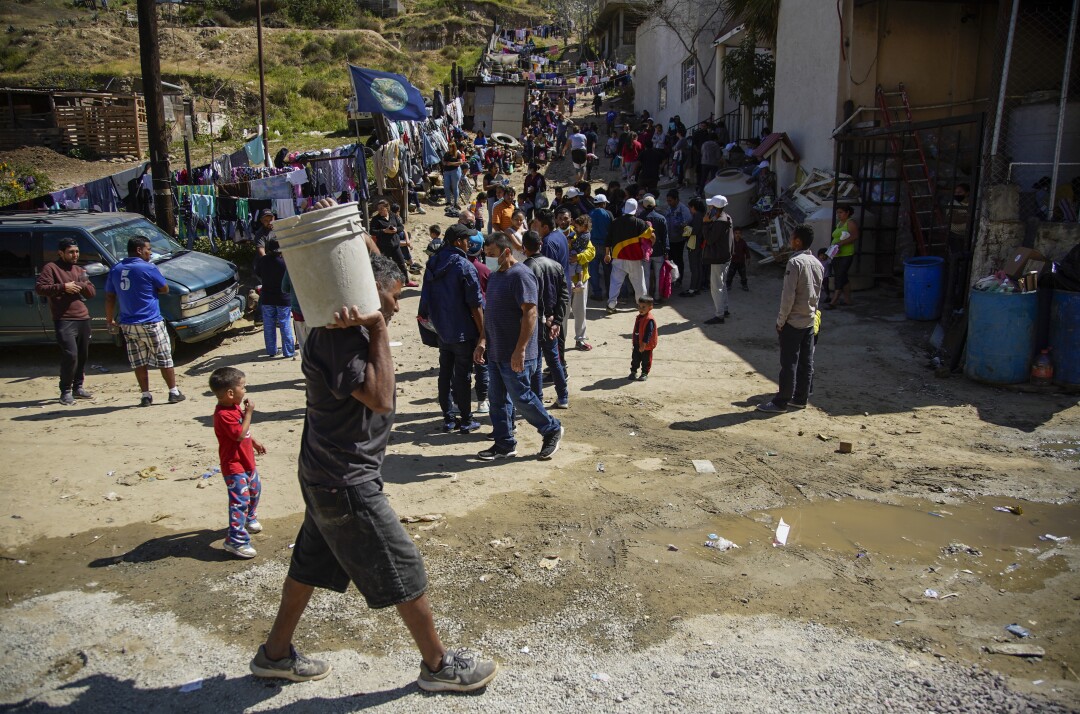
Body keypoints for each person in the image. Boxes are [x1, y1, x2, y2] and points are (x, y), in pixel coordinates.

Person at [251, 249, 499, 692]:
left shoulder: (350, 332)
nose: (396, 307)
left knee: (309, 566)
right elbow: (380, 398)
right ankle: (439, 667)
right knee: (404, 567)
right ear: (365, 294)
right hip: (345, 482)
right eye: (390, 297)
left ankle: (274, 654)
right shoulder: (340, 337)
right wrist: (378, 327)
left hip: (325, 475)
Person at [474, 232, 564, 461]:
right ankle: (504, 444)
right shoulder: (495, 277)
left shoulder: (521, 275)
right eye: (486, 255)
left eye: (492, 254)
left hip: (516, 352)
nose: (489, 259)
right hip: (496, 350)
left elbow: (531, 313)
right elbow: (491, 314)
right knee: (497, 400)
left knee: (522, 398)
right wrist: (483, 341)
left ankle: (551, 428)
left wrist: (521, 349)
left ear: (506, 252)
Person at [419, 224, 485, 435]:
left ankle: (449, 419)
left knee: (445, 373)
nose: (469, 243)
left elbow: (426, 298)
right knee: (463, 376)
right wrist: (483, 334)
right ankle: (466, 420)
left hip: (441, 329)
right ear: (458, 242)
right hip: (463, 332)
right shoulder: (464, 266)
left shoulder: (433, 262)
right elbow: (475, 304)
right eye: (467, 240)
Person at [105, 236, 185, 406]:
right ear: (139, 250)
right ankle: (173, 391)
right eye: (148, 249)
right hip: (150, 321)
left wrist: (109, 318)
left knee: (138, 360)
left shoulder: (116, 269)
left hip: (127, 324)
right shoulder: (148, 268)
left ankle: (145, 395)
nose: (150, 253)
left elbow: (110, 296)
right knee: (164, 357)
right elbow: (164, 288)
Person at [757, 224, 824, 413]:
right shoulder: (818, 263)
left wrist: (781, 321)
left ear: (797, 241)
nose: (789, 241)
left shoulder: (795, 263)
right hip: (809, 319)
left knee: (789, 363)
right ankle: (801, 398)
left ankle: (781, 402)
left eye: (791, 237)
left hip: (793, 321)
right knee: (806, 361)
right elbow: (818, 294)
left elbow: (788, 296)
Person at [209, 367, 267, 559]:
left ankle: (249, 518)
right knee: (239, 502)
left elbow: (244, 433)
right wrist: (250, 412)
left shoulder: (234, 407)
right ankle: (235, 540)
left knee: (254, 491)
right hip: (234, 467)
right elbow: (239, 434)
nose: (246, 390)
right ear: (230, 393)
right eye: (243, 386)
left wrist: (255, 441)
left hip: (247, 462)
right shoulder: (223, 415)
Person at [35, 237, 96, 405]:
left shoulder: (79, 270)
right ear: (60, 253)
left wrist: (81, 285)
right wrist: (63, 287)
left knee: (82, 355)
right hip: (64, 319)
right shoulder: (51, 268)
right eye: (71, 252)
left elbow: (91, 293)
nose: (75, 255)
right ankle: (65, 391)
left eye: (76, 251)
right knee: (71, 354)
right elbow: (40, 288)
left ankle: (78, 387)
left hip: (83, 317)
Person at [522, 231, 570, 409]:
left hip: (536, 322)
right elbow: (563, 296)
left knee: (536, 362)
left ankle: (538, 400)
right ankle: (563, 396)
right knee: (554, 361)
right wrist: (557, 320)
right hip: (551, 322)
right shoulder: (556, 266)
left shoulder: (526, 268)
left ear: (524, 248)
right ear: (541, 244)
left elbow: (528, 300)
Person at [604, 198, 653, 314]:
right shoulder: (640, 223)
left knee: (615, 283)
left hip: (618, 257)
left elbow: (608, 240)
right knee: (639, 284)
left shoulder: (615, 222)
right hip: (634, 258)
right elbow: (651, 237)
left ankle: (611, 305)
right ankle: (642, 305)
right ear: (635, 209)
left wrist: (607, 254)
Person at [255, 239, 295, 358]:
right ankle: (288, 352)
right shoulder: (285, 262)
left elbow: (257, 273)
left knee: (268, 325)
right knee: (285, 324)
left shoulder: (263, 260)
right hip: (284, 298)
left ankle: (271, 351)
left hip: (267, 298)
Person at [466, 234, 492, 415]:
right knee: (482, 362)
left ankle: (458, 401)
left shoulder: (456, 266)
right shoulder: (484, 270)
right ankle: (482, 400)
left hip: (460, 322)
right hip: (480, 321)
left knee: (460, 365)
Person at [701, 195, 734, 325]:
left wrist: (705, 223)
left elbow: (709, 239)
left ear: (715, 208)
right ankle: (724, 309)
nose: (709, 208)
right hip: (725, 256)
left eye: (711, 206)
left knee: (716, 287)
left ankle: (719, 315)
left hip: (718, 258)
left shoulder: (719, 222)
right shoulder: (727, 217)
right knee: (722, 284)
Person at [370, 200, 418, 288]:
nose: (379, 210)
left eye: (381, 208)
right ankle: (387, 285)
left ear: (387, 208)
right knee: (385, 266)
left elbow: (401, 226)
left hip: (395, 245)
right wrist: (384, 231)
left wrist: (396, 229)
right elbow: (372, 231)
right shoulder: (375, 219)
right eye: (378, 209)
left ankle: (407, 281)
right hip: (384, 246)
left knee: (402, 264)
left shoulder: (393, 215)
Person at [569, 214, 596, 351]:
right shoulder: (561, 236)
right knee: (562, 314)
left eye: (566, 219)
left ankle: (580, 340)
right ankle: (558, 341)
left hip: (581, 280)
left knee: (580, 312)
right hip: (565, 280)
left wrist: (577, 257)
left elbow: (591, 253)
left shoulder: (583, 236)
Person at [825, 204, 858, 309]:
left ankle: (834, 301)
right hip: (836, 253)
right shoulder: (840, 223)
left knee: (839, 276)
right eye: (837, 212)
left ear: (847, 213)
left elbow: (855, 236)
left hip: (846, 254)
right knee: (843, 276)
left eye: (841, 212)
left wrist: (842, 243)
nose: (838, 215)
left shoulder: (850, 222)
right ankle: (848, 300)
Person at [641, 195, 668, 304]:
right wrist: (666, 250)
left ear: (643, 205)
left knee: (646, 275)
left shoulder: (639, 218)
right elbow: (665, 236)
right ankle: (657, 296)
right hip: (658, 251)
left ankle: (646, 297)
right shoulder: (661, 218)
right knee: (658, 275)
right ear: (654, 205)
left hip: (644, 252)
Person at [588, 194, 614, 301]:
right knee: (608, 270)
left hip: (592, 245)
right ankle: (609, 292)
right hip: (606, 246)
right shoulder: (608, 214)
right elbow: (613, 228)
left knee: (593, 271)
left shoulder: (590, 214)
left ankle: (597, 293)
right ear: (603, 204)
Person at [665, 190, 691, 288]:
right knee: (670, 259)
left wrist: (681, 226)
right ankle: (672, 278)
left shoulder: (683, 210)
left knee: (678, 259)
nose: (669, 203)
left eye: (670, 201)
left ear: (676, 200)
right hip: (670, 239)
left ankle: (679, 279)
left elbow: (688, 223)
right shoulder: (669, 208)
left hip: (679, 240)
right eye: (668, 201)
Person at [680, 197, 706, 297]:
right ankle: (697, 287)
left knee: (694, 267)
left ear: (693, 207)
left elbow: (694, 231)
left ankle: (692, 289)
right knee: (698, 266)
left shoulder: (697, 216)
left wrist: (684, 227)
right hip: (698, 244)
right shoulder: (701, 215)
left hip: (694, 244)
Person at [628, 295, 658, 381]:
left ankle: (644, 373)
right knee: (635, 358)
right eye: (639, 306)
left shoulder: (649, 320)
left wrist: (643, 344)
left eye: (644, 307)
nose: (641, 309)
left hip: (646, 345)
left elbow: (648, 334)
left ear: (650, 307)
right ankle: (633, 372)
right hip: (637, 343)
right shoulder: (639, 317)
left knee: (646, 360)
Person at [441, 141, 465, 210]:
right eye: (449, 146)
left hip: (455, 171)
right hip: (447, 172)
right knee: (446, 186)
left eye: (451, 146)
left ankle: (455, 202)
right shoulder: (446, 154)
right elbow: (443, 161)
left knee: (455, 187)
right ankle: (448, 201)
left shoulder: (457, 154)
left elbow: (460, 162)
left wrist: (451, 163)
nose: (449, 148)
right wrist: (445, 163)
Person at [726, 227, 750, 292]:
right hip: (733, 262)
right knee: (730, 274)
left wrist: (748, 258)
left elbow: (747, 251)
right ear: (733, 234)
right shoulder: (731, 242)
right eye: (736, 233)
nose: (737, 235)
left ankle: (744, 285)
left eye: (739, 233)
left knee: (743, 275)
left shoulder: (743, 242)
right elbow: (727, 251)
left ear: (741, 234)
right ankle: (728, 285)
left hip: (741, 262)